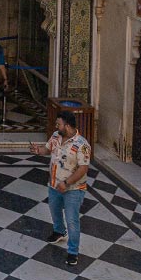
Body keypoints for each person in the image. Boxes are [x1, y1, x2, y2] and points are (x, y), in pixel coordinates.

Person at [45, 110, 92, 268]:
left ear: (68, 126)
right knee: (54, 210)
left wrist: (66, 183)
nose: (56, 125)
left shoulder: (82, 145)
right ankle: (59, 231)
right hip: (54, 184)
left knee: (72, 220)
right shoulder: (56, 136)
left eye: (59, 124)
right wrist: (38, 150)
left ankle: (73, 252)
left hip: (73, 189)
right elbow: (48, 149)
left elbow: (83, 169)